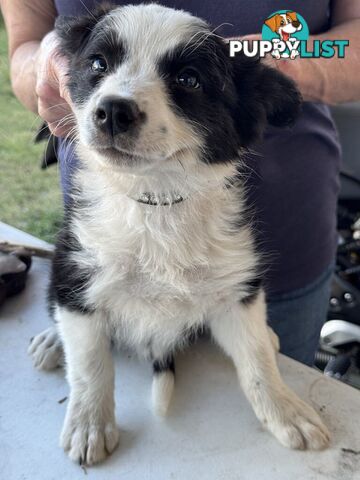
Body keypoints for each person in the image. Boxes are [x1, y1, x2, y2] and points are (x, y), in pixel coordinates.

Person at [2, 0, 360, 365]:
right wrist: (46, 62)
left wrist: (263, 66)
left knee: (260, 403)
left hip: (277, 243)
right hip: (109, 247)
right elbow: (25, 46)